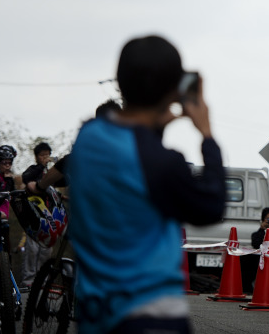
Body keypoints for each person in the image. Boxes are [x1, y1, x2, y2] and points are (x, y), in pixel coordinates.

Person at [66, 35, 226, 334]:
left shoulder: (89, 137)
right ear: (172, 91)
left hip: (94, 315)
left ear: (121, 82)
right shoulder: (163, 163)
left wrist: (158, 117)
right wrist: (206, 133)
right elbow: (212, 205)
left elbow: (132, 145)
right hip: (153, 316)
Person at [19, 142, 55, 289]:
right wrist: (41, 166)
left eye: (47, 155)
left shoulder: (51, 173)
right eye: (42, 155)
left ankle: (43, 280)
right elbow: (26, 177)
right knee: (32, 249)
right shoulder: (33, 170)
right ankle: (28, 280)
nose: (45, 158)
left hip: (49, 215)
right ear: (36, 157)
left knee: (46, 250)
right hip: (33, 214)